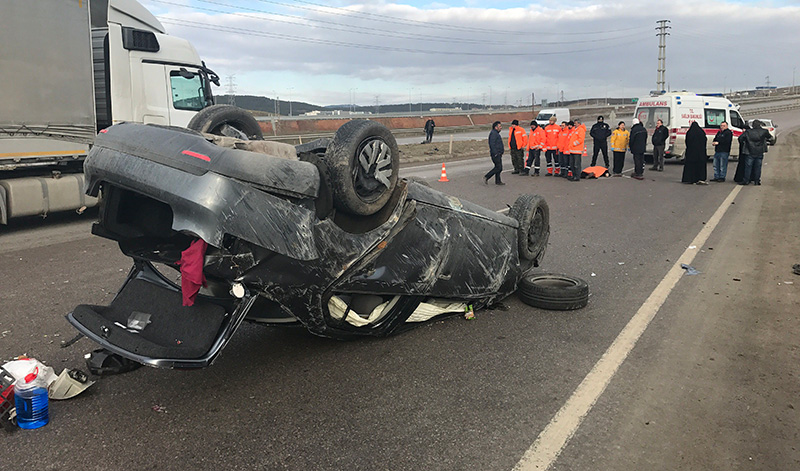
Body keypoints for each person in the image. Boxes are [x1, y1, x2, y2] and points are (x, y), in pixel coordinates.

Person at [738, 119, 771, 186]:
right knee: (758, 167)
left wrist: (745, 143)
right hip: (759, 151)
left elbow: (740, 138)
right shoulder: (764, 131)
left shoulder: (748, 132)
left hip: (749, 151)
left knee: (748, 167)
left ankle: (746, 180)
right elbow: (769, 137)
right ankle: (757, 181)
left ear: (753, 125)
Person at [484, 121, 505, 185]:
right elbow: (492, 144)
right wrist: (495, 153)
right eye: (499, 126)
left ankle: (498, 181)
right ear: (496, 127)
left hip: (498, 153)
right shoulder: (493, 134)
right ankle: (487, 176)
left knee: (498, 167)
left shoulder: (496, 133)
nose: (501, 128)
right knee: (499, 167)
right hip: (496, 154)